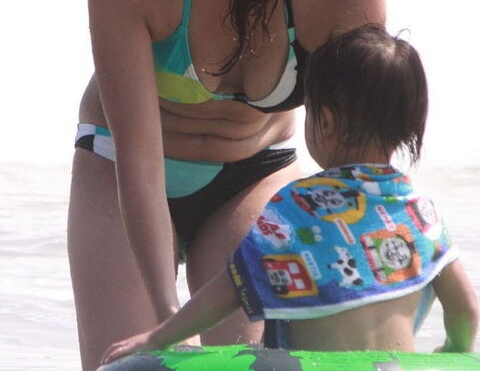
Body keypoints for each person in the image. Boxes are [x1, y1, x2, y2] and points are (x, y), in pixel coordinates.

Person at [67, 0, 385, 369]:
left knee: (248, 361)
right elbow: (138, 157)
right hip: (118, 167)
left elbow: (361, 158)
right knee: (129, 364)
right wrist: (168, 320)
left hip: (256, 173)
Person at [100, 25, 478, 365]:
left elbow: (232, 287)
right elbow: (466, 311)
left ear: (324, 121)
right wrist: (453, 351)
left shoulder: (298, 206)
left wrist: (159, 337)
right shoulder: (418, 211)